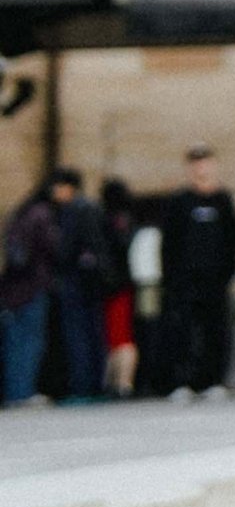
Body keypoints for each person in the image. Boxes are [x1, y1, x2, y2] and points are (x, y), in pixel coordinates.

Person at [160, 145, 235, 400]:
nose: (200, 169)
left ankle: (213, 380)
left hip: (215, 281)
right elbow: (169, 243)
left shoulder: (223, 200)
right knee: (183, 331)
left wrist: (227, 273)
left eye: (205, 163)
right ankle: (183, 381)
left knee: (216, 331)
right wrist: (171, 278)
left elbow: (232, 239)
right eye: (195, 164)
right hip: (185, 281)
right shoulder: (179, 201)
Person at [44, 170, 111, 404]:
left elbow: (67, 249)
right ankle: (96, 385)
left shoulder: (74, 210)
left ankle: (83, 387)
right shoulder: (91, 208)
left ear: (68, 187)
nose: (54, 192)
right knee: (93, 334)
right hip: (91, 282)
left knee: (78, 336)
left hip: (77, 282)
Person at [1, 181, 53, 407]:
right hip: (32, 288)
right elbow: (51, 247)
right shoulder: (41, 214)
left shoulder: (18, 216)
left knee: (14, 344)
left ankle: (15, 393)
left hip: (11, 291)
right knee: (31, 342)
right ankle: (24, 392)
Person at [98, 179, 141, 396]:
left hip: (118, 286)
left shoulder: (114, 220)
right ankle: (118, 382)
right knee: (118, 337)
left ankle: (123, 383)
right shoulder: (128, 220)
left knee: (121, 337)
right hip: (124, 284)